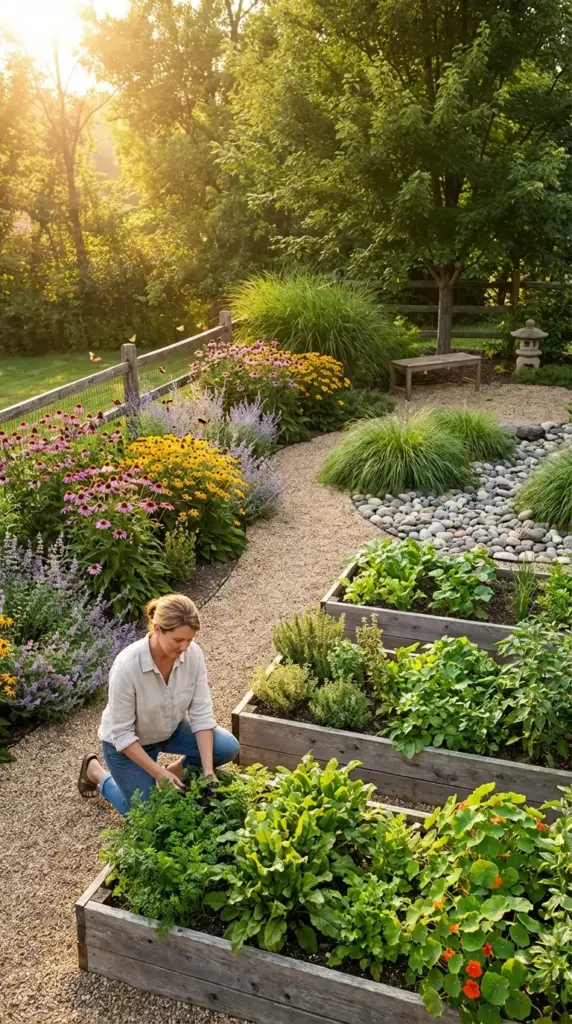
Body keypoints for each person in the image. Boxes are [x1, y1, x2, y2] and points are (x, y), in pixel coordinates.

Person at [78, 593, 239, 814]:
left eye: (190, 640)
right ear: (157, 629)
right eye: (178, 640)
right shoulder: (127, 666)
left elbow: (201, 714)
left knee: (227, 747)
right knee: (146, 814)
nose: (184, 648)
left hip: (170, 731)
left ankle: (170, 775)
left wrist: (208, 770)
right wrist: (157, 774)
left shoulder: (193, 655)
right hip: (128, 745)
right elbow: (122, 735)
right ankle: (96, 772)